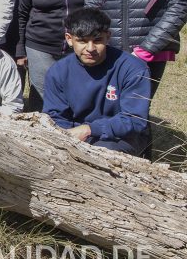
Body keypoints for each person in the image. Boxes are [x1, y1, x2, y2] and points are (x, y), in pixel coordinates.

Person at [43, 8, 152, 156]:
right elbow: (55, 117)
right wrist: (69, 138)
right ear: (69, 39)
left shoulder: (133, 68)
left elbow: (134, 120)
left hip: (121, 137)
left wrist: (90, 129)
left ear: (108, 37)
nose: (90, 48)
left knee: (100, 154)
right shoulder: (58, 71)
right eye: (82, 41)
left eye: (97, 40)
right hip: (75, 135)